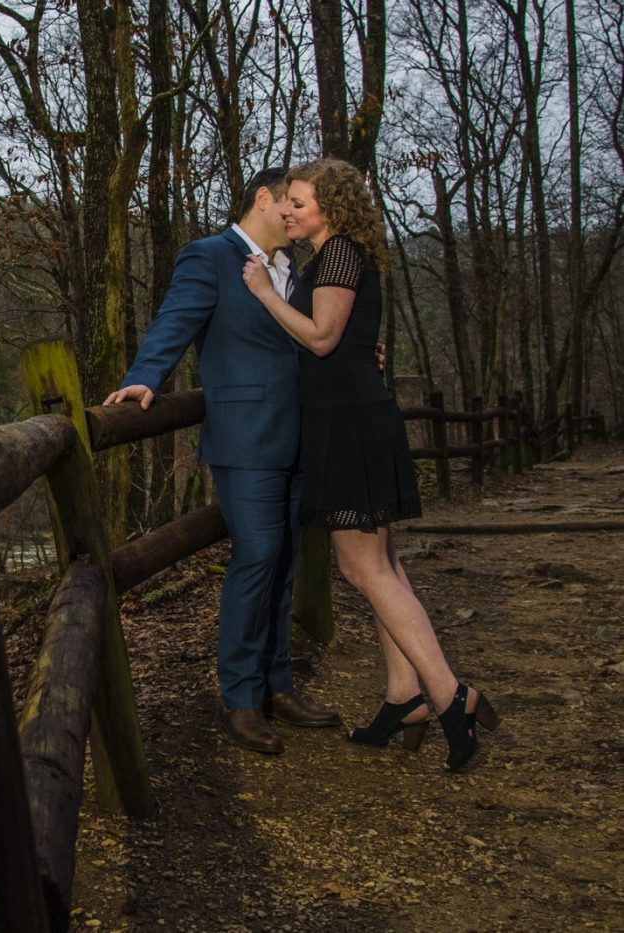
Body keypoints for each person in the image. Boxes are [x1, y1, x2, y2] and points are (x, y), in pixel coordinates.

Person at [240, 158, 499, 771]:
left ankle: (450, 696)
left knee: (364, 571)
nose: (288, 210)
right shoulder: (344, 255)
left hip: (347, 424)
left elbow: (323, 338)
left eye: (299, 202)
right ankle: (403, 697)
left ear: (330, 207)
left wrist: (263, 293)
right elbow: (347, 338)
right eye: (287, 202)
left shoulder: (336, 256)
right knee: (383, 565)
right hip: (356, 411)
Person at [105, 167, 342, 756]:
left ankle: (277, 685)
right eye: (287, 203)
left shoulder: (296, 270)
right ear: (262, 198)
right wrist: (143, 378)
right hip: (245, 436)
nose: (294, 216)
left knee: (284, 559)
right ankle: (239, 698)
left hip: (299, 437)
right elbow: (174, 322)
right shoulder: (209, 255)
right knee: (257, 557)